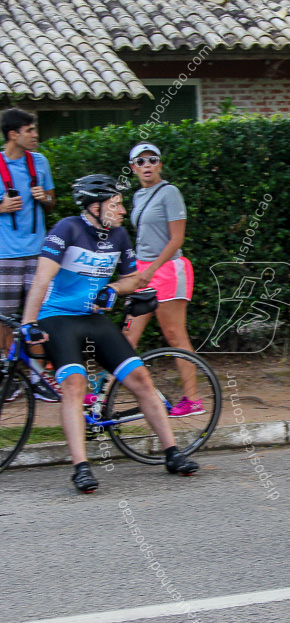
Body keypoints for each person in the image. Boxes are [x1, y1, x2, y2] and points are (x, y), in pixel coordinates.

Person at [19, 175, 199, 493]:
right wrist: (29, 322)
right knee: (74, 384)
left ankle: (173, 453)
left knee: (141, 378)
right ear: (94, 206)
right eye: (114, 204)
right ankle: (81, 468)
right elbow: (42, 279)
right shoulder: (67, 229)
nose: (121, 209)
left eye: (120, 204)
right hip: (57, 318)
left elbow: (132, 280)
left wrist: (114, 288)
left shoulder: (118, 236)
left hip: (93, 318)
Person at [121, 143, 202, 416]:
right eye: (140, 161)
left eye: (152, 160)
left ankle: (192, 399)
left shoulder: (170, 193)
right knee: (128, 334)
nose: (146, 165)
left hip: (167, 269)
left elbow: (177, 238)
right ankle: (105, 395)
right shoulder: (137, 197)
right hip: (142, 270)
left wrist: (152, 269)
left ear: (159, 165)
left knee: (175, 335)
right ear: (133, 168)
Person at [0, 107, 60, 402]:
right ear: (14, 135)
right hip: (5, 255)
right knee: (5, 320)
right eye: (30, 130)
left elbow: (52, 201)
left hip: (39, 254)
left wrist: (44, 198)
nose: (36, 135)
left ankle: (37, 378)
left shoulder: (40, 162)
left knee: (38, 318)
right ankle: (7, 377)